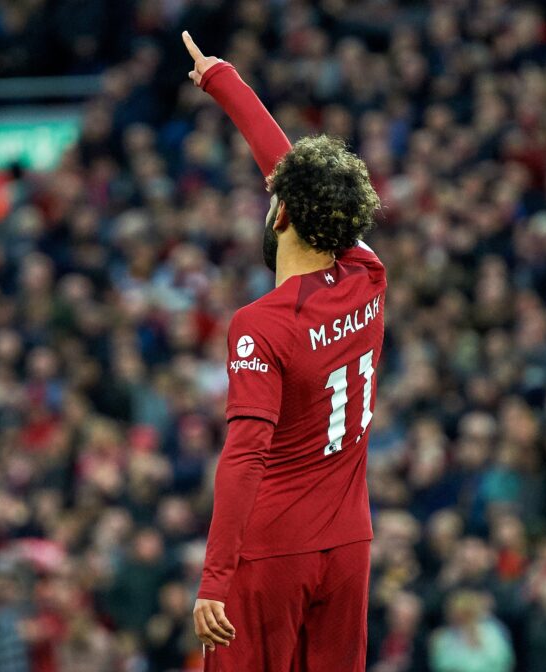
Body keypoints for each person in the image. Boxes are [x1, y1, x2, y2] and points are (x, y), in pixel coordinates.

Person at [181, 31, 386, 672]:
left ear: (279, 219)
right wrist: (224, 81)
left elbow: (245, 454)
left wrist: (215, 577)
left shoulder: (261, 325)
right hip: (349, 546)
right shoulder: (368, 278)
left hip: (271, 553)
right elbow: (294, 174)